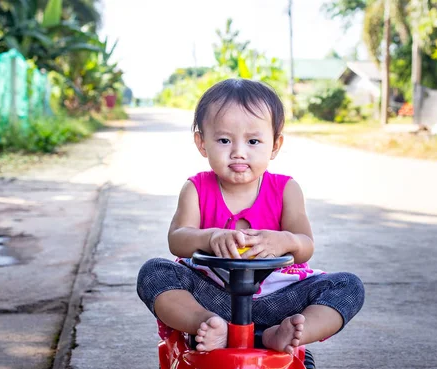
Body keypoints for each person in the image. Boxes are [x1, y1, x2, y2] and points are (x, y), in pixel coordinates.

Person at [137, 78, 364, 354]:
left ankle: (286, 333)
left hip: (278, 300)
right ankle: (207, 325)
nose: (238, 152)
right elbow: (177, 240)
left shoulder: (286, 190)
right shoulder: (196, 188)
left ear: (275, 145)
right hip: (213, 297)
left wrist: (285, 241)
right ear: (202, 143)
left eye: (253, 141)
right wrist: (209, 237)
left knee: (347, 285)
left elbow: (306, 246)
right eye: (223, 140)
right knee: (154, 272)